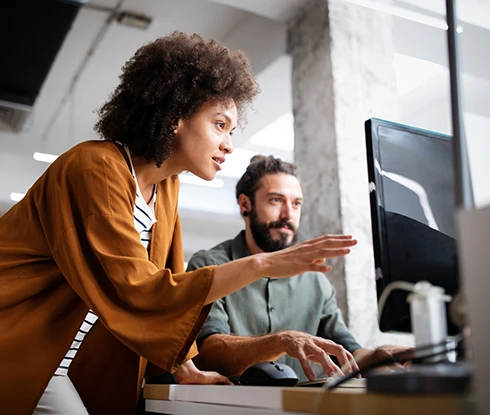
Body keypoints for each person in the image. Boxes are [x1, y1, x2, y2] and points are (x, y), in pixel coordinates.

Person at [0, 32, 358, 415]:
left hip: (59, 359)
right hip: (17, 339)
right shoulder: (95, 168)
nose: (228, 145)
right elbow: (139, 288)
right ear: (174, 117)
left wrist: (186, 370)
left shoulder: (165, 188)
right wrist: (262, 265)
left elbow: (168, 286)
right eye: (219, 125)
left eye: (231, 131)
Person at [189, 155, 406, 382]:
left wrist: (378, 356)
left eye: (296, 203)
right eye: (275, 200)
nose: (288, 215)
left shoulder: (316, 279)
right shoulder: (209, 265)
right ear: (245, 204)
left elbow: (346, 350)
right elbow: (208, 353)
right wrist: (280, 341)